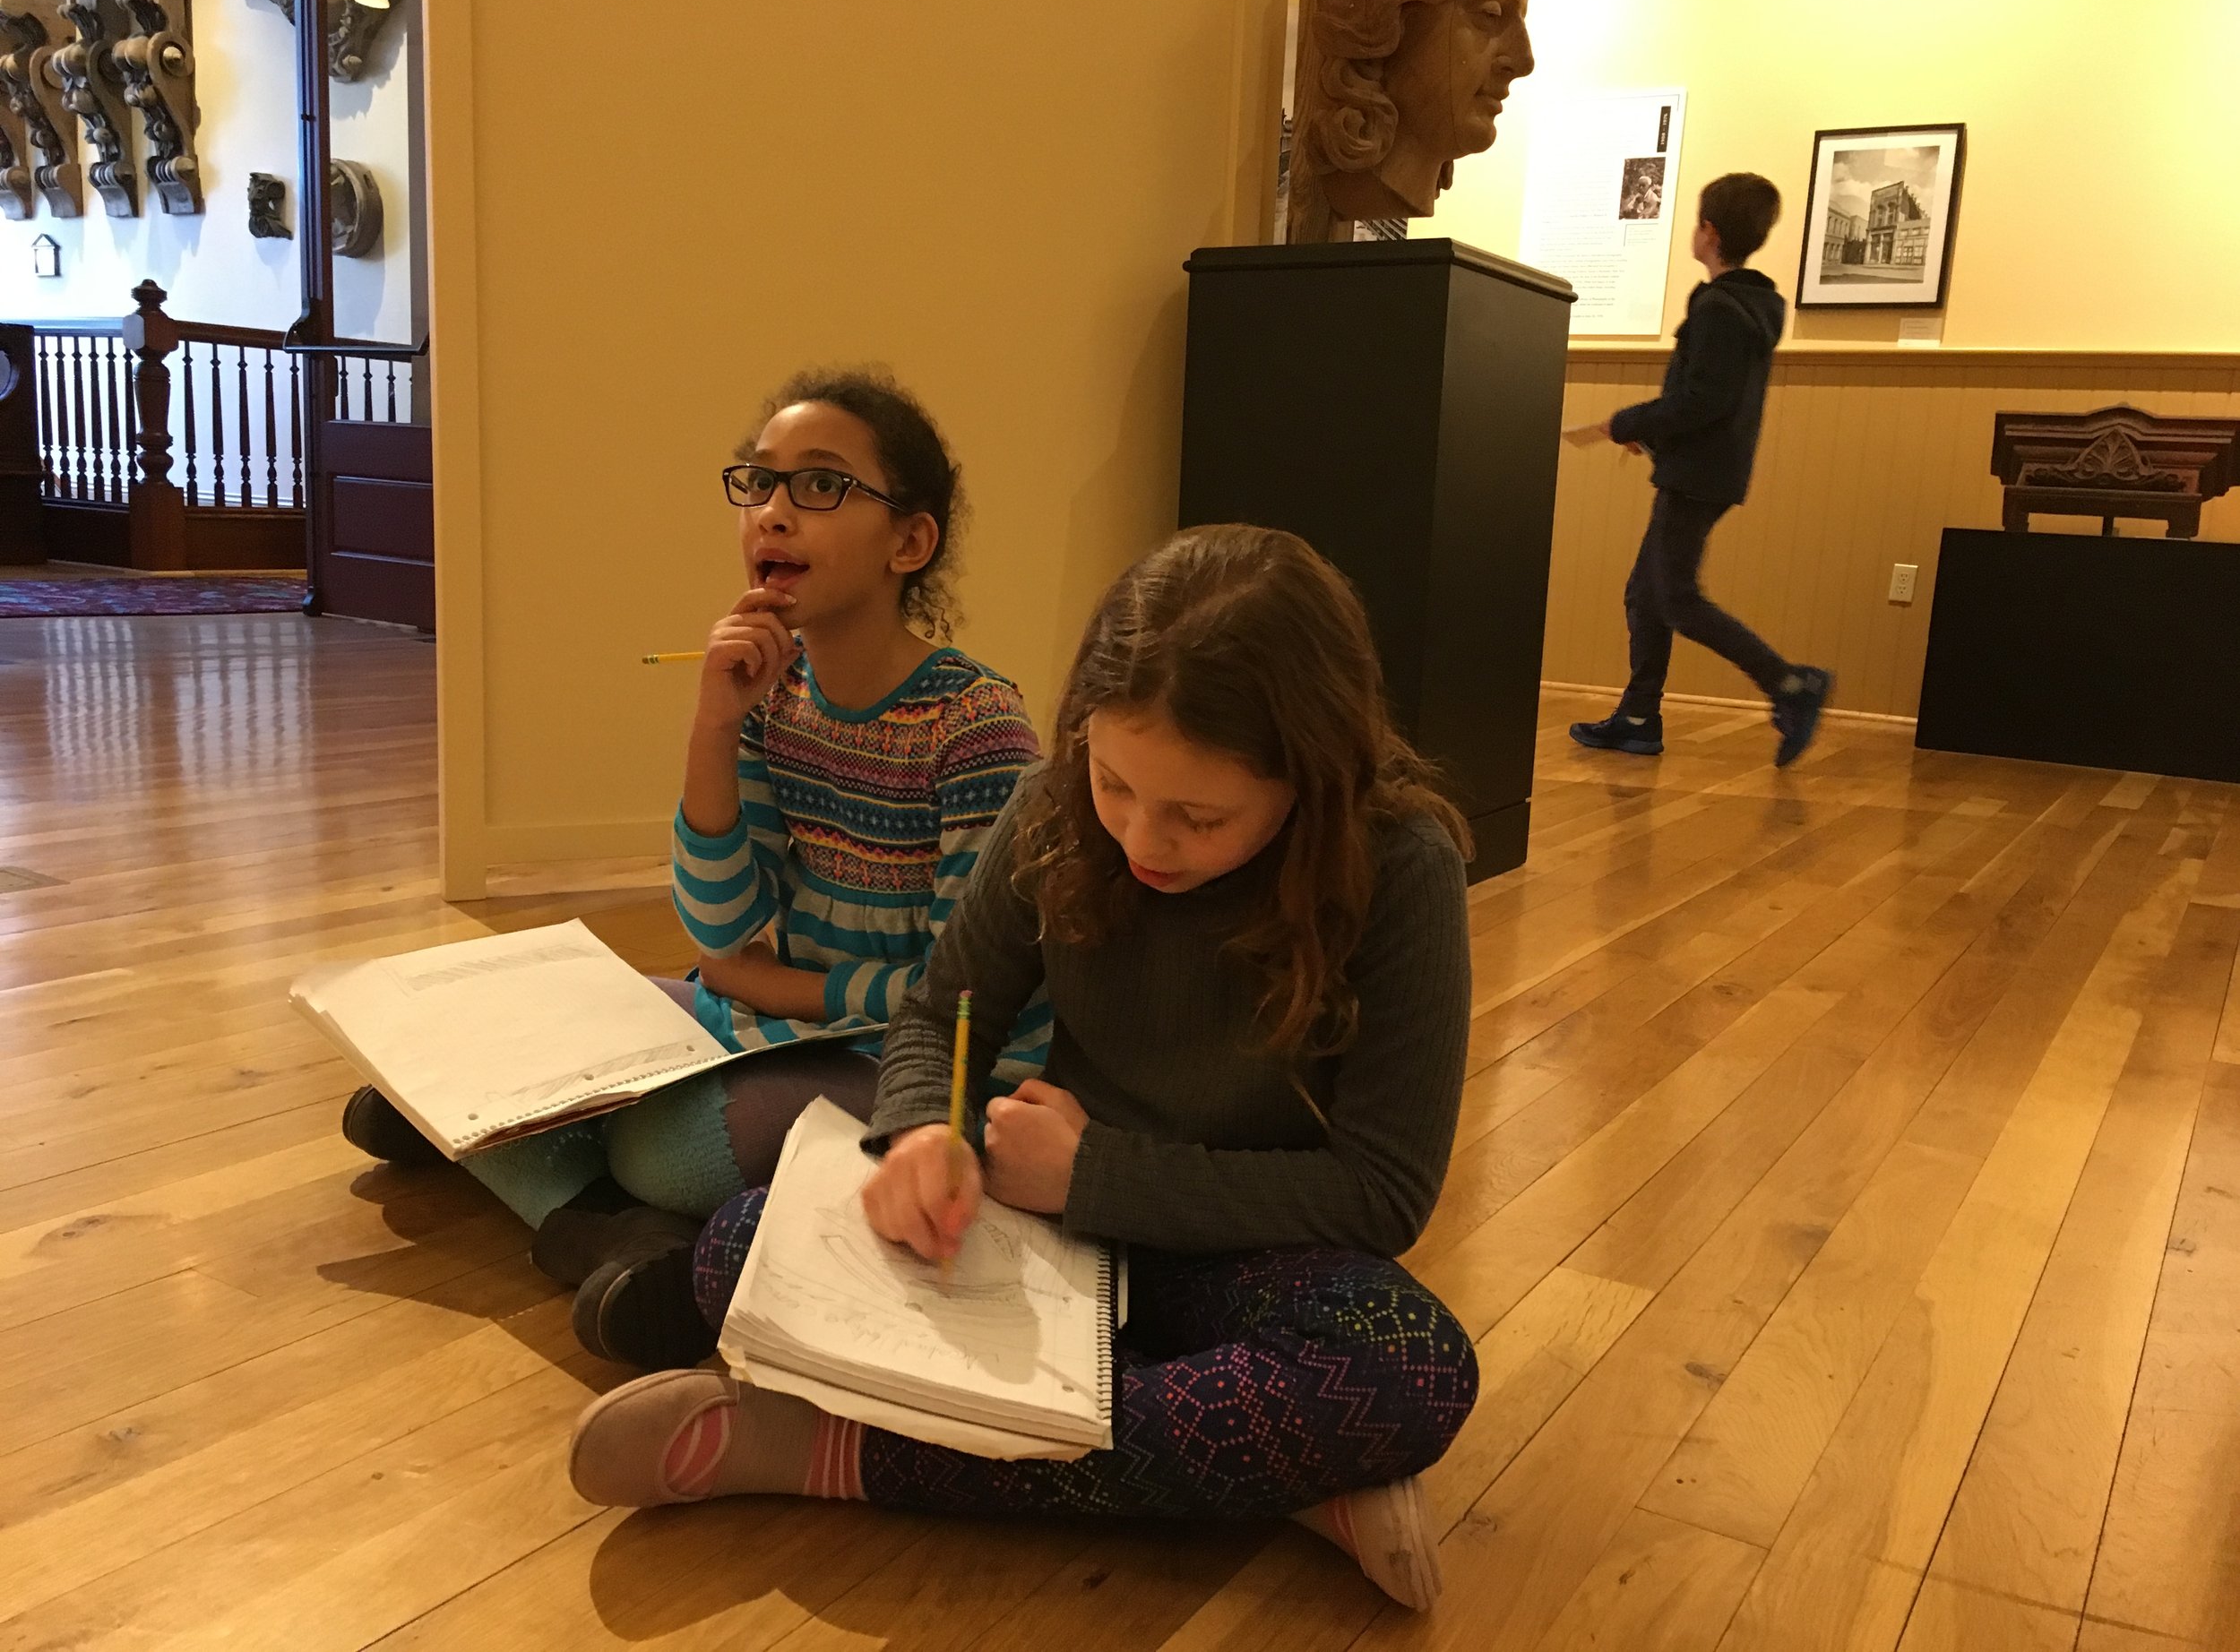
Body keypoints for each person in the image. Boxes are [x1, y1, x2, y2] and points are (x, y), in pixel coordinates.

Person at [565, 525, 1480, 1613]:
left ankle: (833, 1455)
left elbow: (1381, 1193)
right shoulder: (1053, 810)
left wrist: (1095, 1175)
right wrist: (921, 1135)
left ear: (1311, 782)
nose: (1144, 835)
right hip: (1045, 1238)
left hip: (1241, 1256)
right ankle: (1268, 1483)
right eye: (1115, 782)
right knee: (733, 1245)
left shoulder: (1401, 869)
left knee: (1412, 1365)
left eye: (1200, 816)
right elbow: (941, 1012)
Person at [340, 368, 1044, 1369]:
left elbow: (965, 997)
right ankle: (598, 1230)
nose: (774, 512)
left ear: (910, 542)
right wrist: (717, 724)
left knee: (658, 1147)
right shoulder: (777, 690)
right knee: (518, 1036)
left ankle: (513, 1160)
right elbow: (719, 931)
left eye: (821, 485)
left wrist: (765, 983)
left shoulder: (974, 730)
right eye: (758, 485)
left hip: (916, 1066)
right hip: (785, 1021)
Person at [1567, 171, 1833, 766]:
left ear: (1708, 233)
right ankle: (1638, 716)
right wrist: (1649, 430)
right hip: (1707, 470)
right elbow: (1708, 399)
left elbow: (1700, 401)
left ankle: (1790, 683)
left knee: (1677, 596)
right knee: (1646, 593)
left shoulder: (1719, 307)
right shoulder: (1751, 304)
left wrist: (1630, 421)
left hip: (1697, 474)